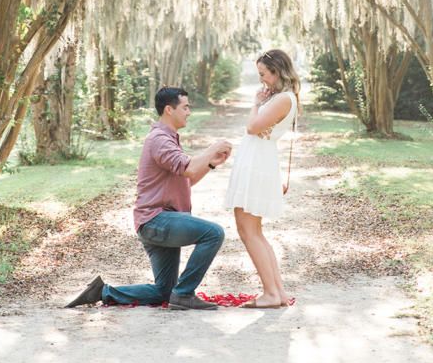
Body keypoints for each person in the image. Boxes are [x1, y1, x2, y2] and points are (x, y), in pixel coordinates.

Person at [66, 86, 232, 311]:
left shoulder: (167, 139)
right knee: (213, 233)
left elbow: (187, 178)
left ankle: (102, 291)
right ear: (168, 110)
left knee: (164, 291)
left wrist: (211, 163)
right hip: (157, 221)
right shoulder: (159, 140)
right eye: (185, 107)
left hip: (157, 222)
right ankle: (184, 294)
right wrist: (212, 148)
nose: (189, 112)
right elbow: (189, 167)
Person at [224, 49, 300, 309]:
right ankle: (276, 291)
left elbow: (252, 127)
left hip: (257, 162)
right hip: (257, 160)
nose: (262, 80)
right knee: (254, 231)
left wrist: (256, 102)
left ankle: (270, 292)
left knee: (248, 230)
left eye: (264, 74)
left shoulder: (282, 99)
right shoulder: (281, 97)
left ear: (277, 71)